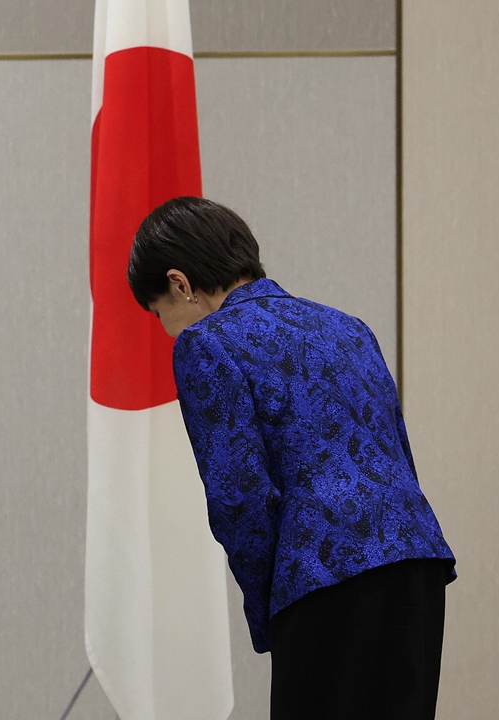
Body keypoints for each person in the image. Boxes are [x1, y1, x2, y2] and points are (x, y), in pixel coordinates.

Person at [127, 197, 455, 720]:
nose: (166, 327)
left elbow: (240, 498)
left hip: (323, 576)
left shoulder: (206, 343)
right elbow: (397, 452)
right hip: (417, 564)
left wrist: (268, 610)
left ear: (179, 283)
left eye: (158, 311)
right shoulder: (348, 327)